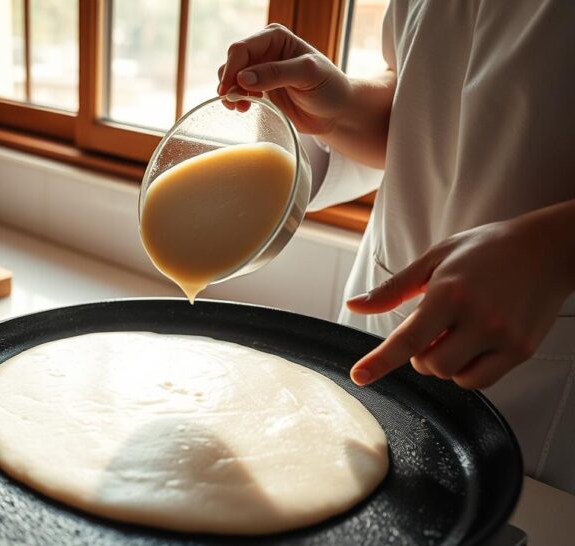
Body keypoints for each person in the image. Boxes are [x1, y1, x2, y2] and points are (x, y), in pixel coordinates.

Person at [217, 0, 575, 492]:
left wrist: (554, 248)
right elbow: (431, 97)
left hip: (540, 397)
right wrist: (342, 105)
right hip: (379, 319)